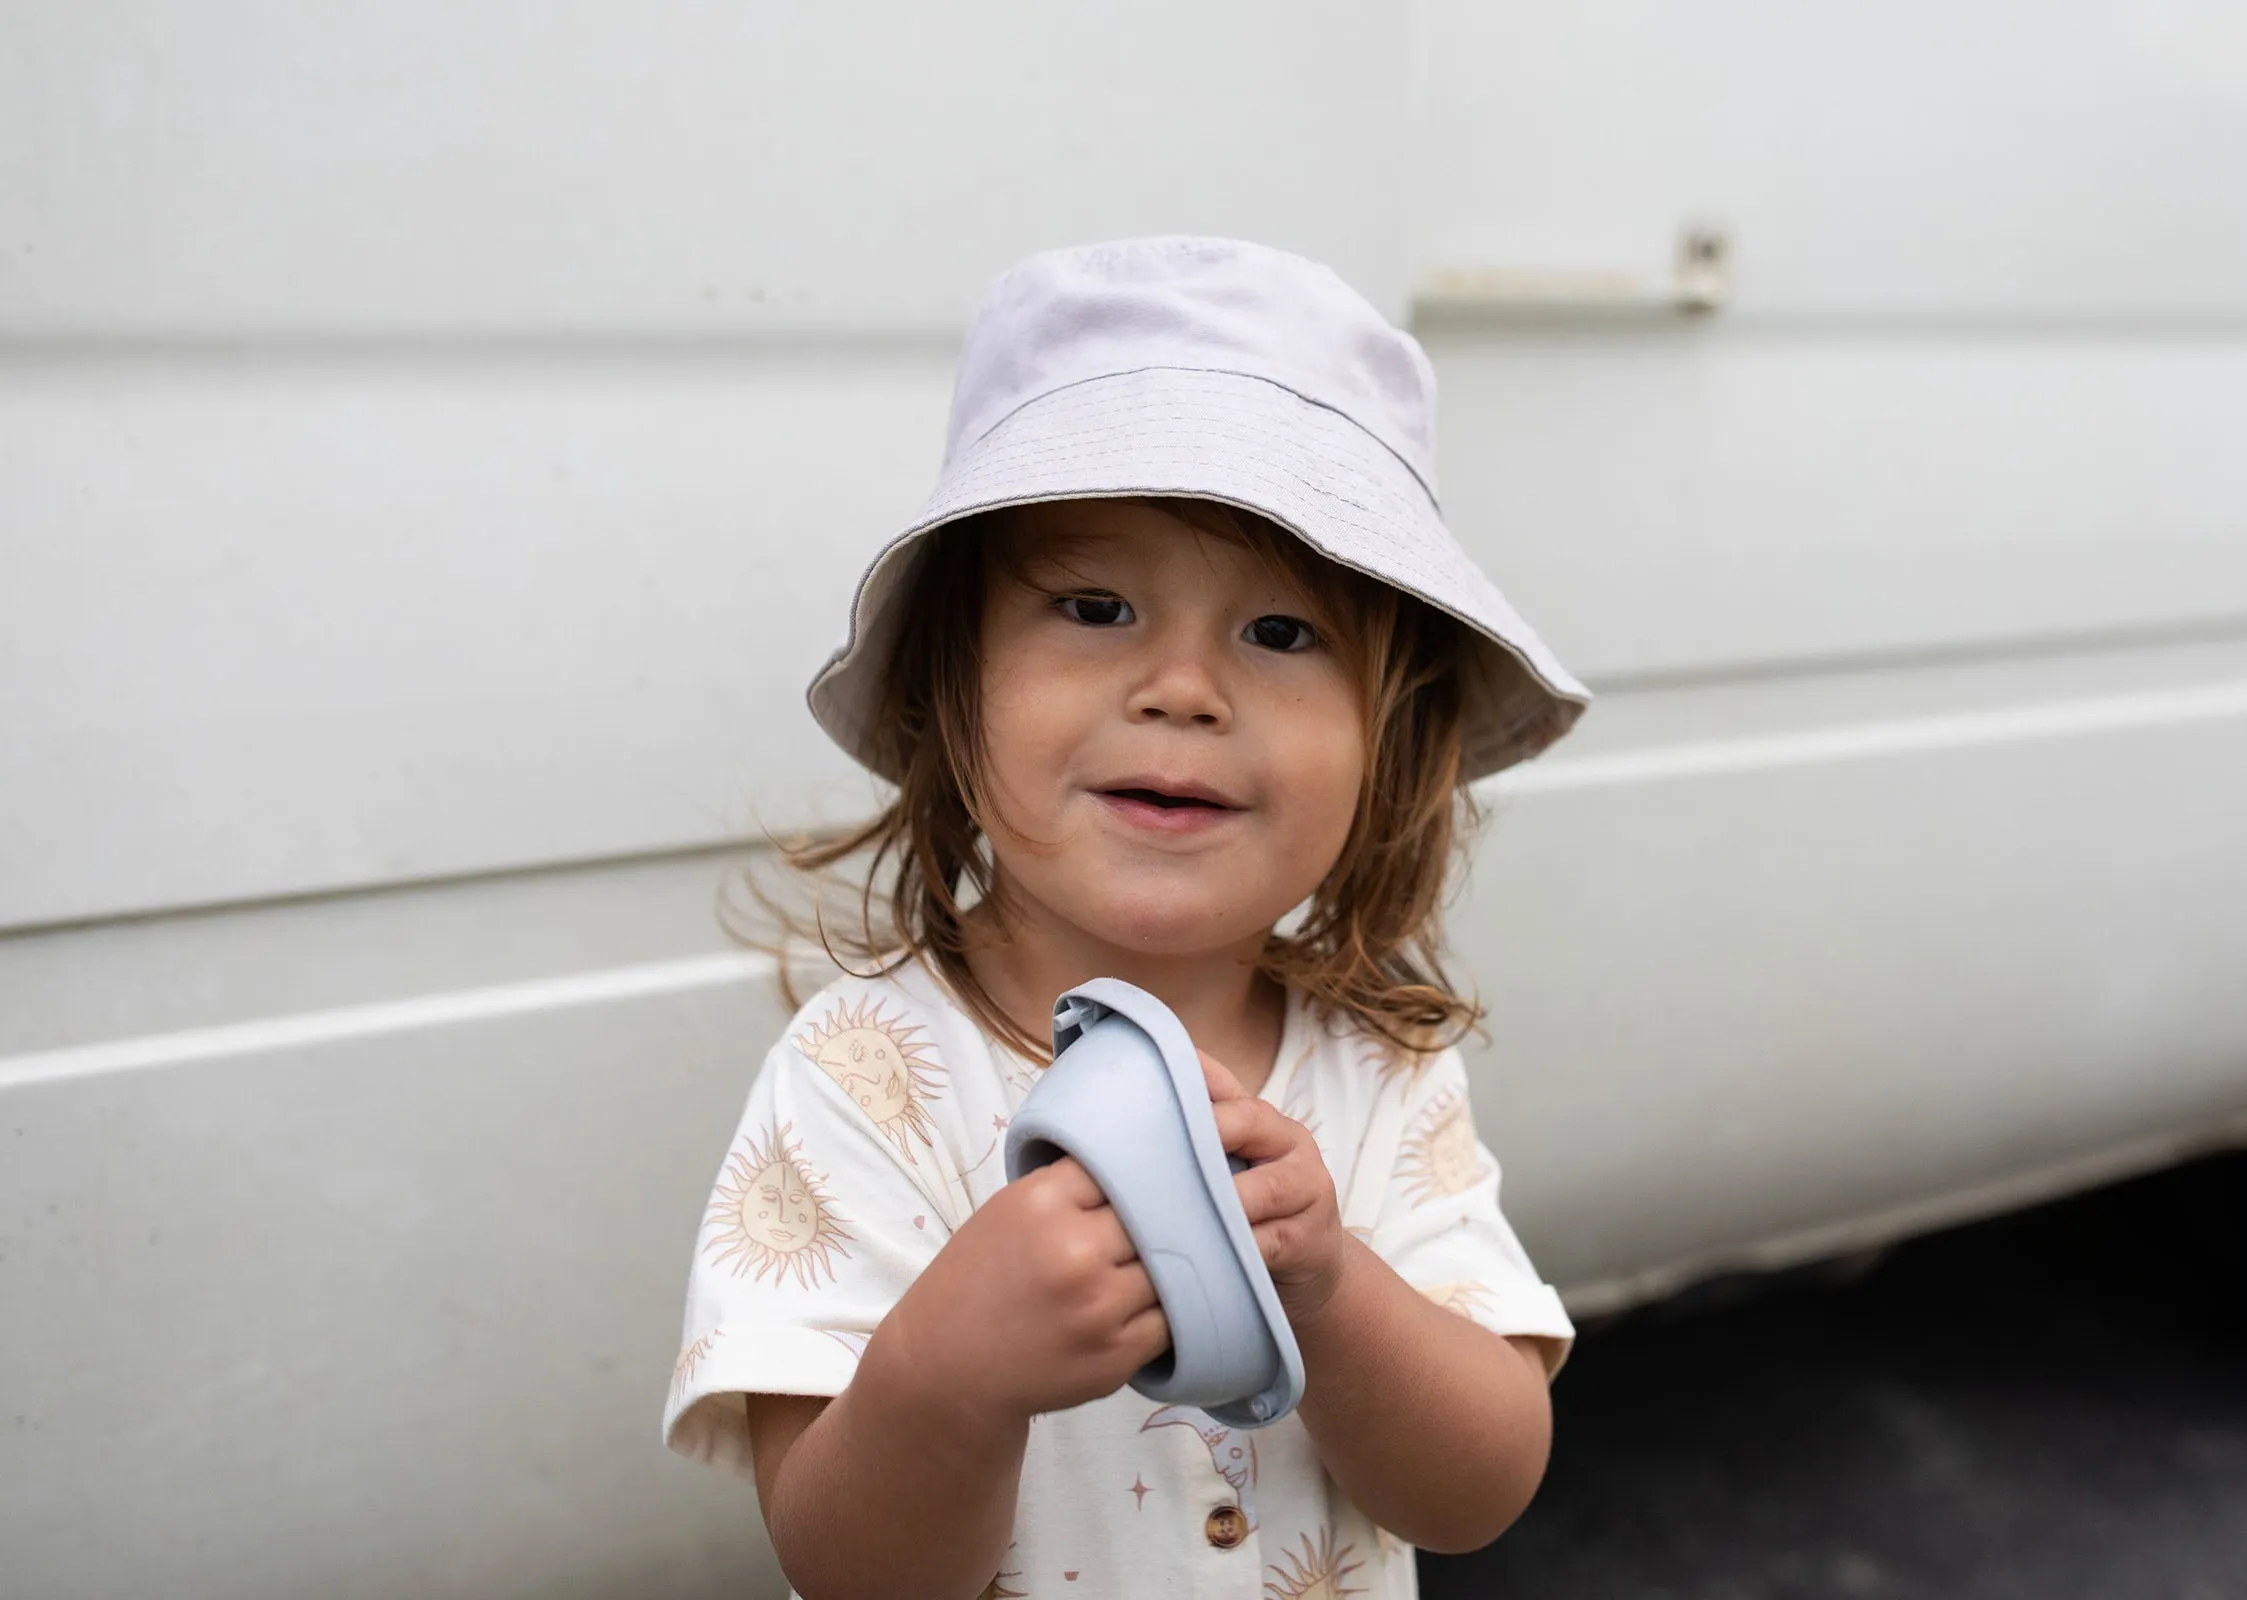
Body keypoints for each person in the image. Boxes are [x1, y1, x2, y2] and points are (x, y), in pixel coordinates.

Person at [662, 235, 1590, 1599]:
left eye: (1281, 633)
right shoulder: (867, 1078)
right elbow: (854, 1571)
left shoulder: (1377, 1071)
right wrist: (946, 1376)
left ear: (1388, 742)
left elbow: (1477, 1493)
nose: (1183, 688)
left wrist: (1330, 1289)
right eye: (1095, 606)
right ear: (952, 681)